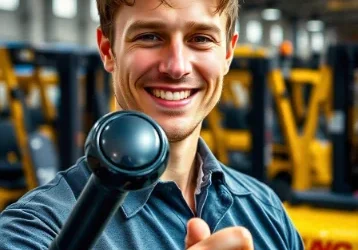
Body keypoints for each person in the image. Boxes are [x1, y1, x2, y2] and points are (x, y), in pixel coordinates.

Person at [0, 0, 304, 249]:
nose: (176, 67)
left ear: (227, 54)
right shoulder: (37, 228)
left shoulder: (267, 211)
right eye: (149, 36)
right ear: (108, 51)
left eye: (200, 39)